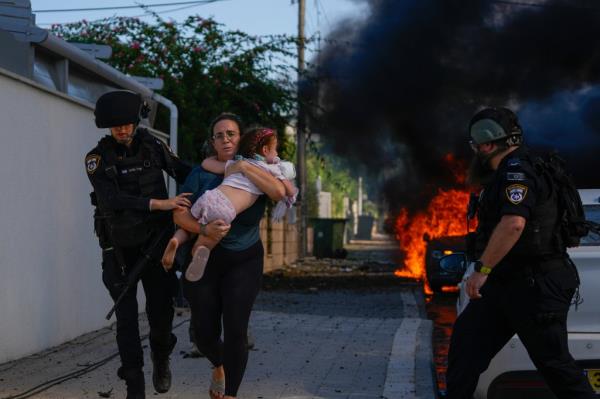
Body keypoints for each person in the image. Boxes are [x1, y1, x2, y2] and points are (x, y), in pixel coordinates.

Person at [445, 107, 595, 399]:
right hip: (505, 285)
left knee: (555, 365)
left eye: (476, 145)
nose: (475, 152)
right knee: (465, 350)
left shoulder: (518, 172)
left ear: (488, 144)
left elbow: (513, 224)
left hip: (534, 286)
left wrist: (481, 270)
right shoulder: (507, 172)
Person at [85, 90, 192, 399]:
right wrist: (158, 204)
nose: (122, 130)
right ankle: (135, 385)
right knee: (127, 320)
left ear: (136, 121)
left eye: (127, 123)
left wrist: (221, 175)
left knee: (161, 313)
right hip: (119, 250)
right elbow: (112, 199)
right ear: (107, 126)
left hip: (157, 244)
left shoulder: (153, 147)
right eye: (116, 125)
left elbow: (181, 170)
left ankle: (161, 357)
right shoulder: (96, 158)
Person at [173, 113, 286, 399]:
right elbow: (179, 213)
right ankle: (218, 363)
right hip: (205, 257)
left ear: (241, 138)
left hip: (244, 259)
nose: (225, 139)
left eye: (231, 133)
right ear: (212, 141)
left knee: (236, 329)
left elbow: (278, 191)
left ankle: (231, 394)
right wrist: (202, 228)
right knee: (203, 333)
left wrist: (245, 170)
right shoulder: (199, 174)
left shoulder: (256, 168)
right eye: (219, 135)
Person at [161, 126, 297, 281]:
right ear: (265, 150)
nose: (277, 154)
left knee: (190, 225)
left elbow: (207, 163)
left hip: (210, 197)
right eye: (276, 150)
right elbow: (288, 191)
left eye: (231, 134)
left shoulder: (237, 162)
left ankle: (176, 240)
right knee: (210, 237)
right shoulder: (271, 169)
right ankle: (199, 251)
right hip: (226, 209)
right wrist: (287, 182)